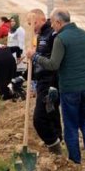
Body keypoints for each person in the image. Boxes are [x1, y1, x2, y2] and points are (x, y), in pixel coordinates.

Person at [27, 9, 85, 164]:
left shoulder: (61, 38)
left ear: (59, 22)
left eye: (53, 23)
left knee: (71, 124)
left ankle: (75, 159)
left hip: (70, 89)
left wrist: (35, 57)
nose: (52, 26)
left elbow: (53, 65)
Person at [27, 9, 62, 154]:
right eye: (29, 23)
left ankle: (54, 145)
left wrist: (34, 55)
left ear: (42, 19)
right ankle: (59, 141)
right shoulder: (40, 35)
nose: (32, 26)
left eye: (33, 22)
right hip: (42, 81)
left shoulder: (52, 35)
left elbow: (53, 60)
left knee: (39, 118)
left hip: (51, 82)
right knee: (51, 112)